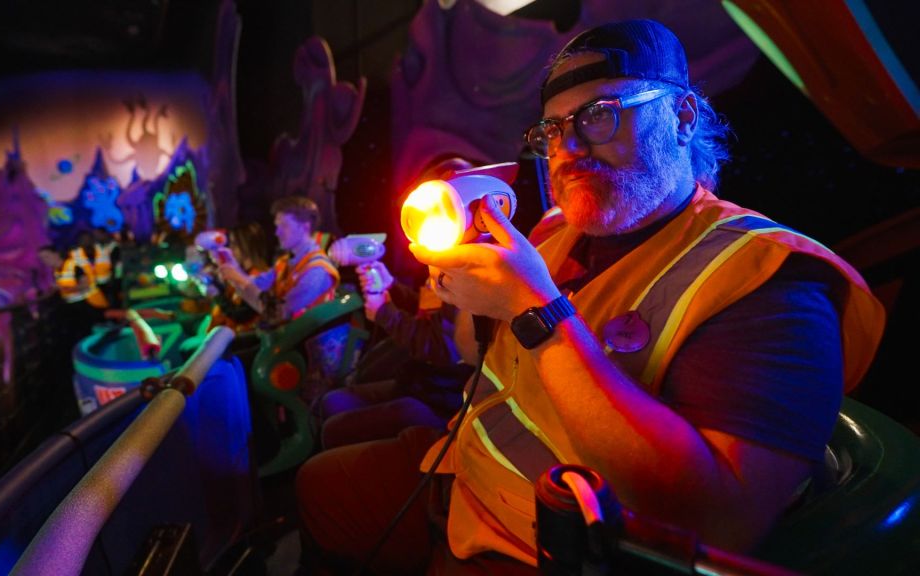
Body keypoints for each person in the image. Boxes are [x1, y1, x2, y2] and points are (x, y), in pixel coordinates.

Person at [295, 18, 885, 574]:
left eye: (599, 115)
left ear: (681, 117)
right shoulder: (555, 232)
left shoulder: (768, 281)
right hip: (459, 470)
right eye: (552, 130)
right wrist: (470, 284)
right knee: (316, 484)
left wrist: (535, 311)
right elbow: (479, 359)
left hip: (542, 547)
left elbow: (716, 522)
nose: (569, 147)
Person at [316, 259, 471, 449]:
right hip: (421, 381)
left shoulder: (473, 276)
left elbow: (444, 348)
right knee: (332, 402)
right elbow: (428, 311)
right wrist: (391, 285)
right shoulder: (447, 263)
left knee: (333, 430)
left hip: (442, 402)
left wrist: (384, 313)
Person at [215, 196, 339, 323]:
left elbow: (280, 314)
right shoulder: (285, 263)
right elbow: (256, 285)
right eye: (277, 226)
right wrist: (233, 269)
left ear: (305, 227)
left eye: (284, 226)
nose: (277, 233)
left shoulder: (317, 270)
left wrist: (237, 278)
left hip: (310, 335)